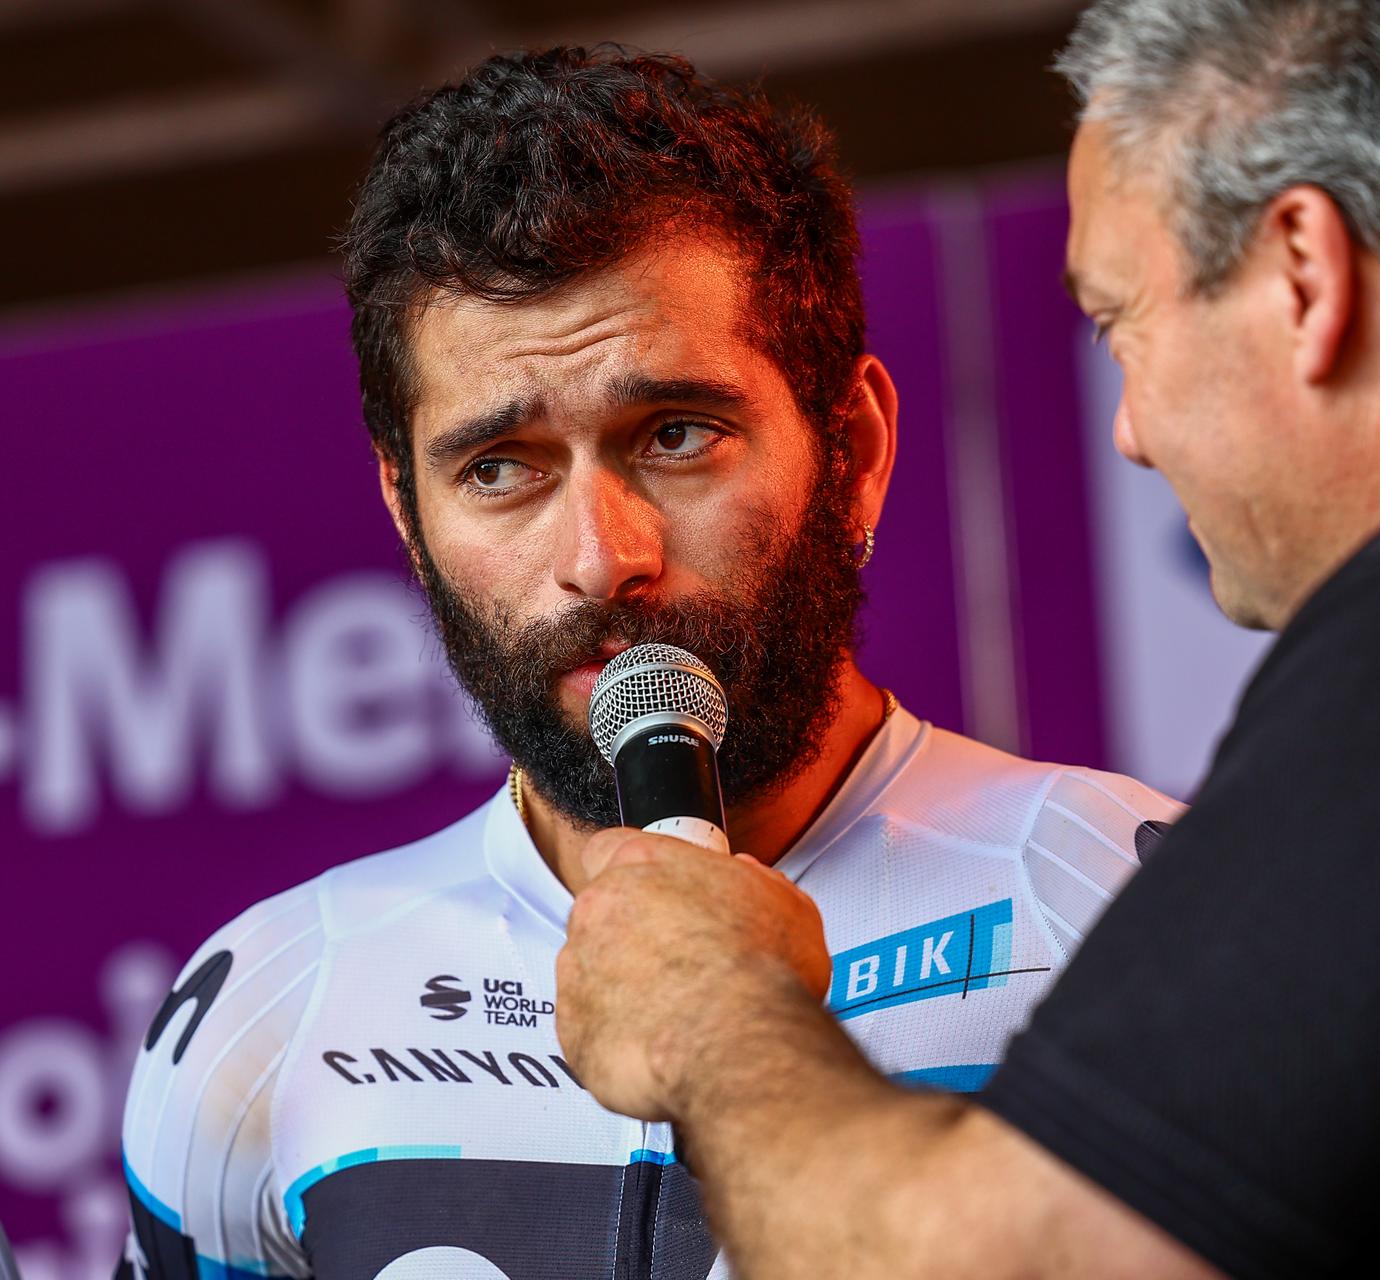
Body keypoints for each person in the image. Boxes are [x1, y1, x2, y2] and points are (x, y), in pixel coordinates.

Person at [553, 0, 1380, 1276]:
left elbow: (982, 1259)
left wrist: (715, 1008)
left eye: (1120, 322)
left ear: (1303, 271)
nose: (1129, 431)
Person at [117, 48, 1179, 1280]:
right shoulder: (266, 1012)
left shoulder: (1130, 907)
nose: (600, 558)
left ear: (855, 449)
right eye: (499, 467)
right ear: (407, 514)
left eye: (676, 434)